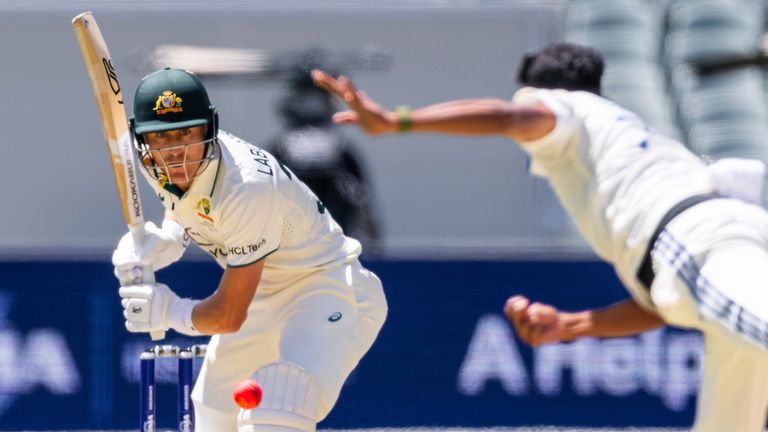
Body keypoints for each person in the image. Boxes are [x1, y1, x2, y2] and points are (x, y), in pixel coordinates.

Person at [312, 42, 768, 432]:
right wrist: (573, 325)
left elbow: (513, 117)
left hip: (698, 237)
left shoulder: (566, 105)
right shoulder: (620, 146)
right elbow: (664, 302)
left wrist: (396, 121)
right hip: (712, 240)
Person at [111, 67, 387, 432]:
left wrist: (168, 312)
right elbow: (182, 202)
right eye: (161, 137)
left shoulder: (247, 187)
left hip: (327, 287)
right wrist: (170, 238)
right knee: (214, 408)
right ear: (143, 138)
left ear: (209, 129)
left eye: (185, 133)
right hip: (263, 294)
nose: (175, 152)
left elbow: (228, 316)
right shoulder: (160, 163)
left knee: (282, 397)